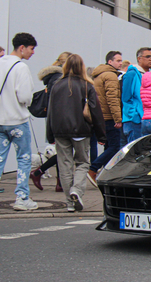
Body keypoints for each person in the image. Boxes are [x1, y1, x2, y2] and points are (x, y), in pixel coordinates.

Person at [47, 54, 107, 212]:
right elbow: (96, 111)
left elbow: (50, 111)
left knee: (64, 165)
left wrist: (49, 133)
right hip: (81, 130)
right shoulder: (87, 85)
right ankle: (77, 191)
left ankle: (69, 203)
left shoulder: (57, 85)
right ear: (82, 67)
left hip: (60, 131)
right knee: (82, 163)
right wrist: (101, 135)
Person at [0, 33, 38, 208]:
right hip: (17, 120)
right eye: (31, 49)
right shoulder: (20, 67)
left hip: (1, 120)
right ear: (22, 48)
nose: (32, 53)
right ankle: (22, 198)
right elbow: (25, 97)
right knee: (23, 159)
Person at [30, 51, 72, 193]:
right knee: (64, 152)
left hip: (56, 119)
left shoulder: (54, 78)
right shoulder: (58, 78)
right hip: (60, 119)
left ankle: (58, 182)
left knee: (63, 151)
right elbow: (57, 102)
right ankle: (39, 172)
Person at [88, 51, 123, 187]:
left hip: (100, 116)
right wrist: (118, 118)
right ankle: (93, 169)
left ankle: (104, 175)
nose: (120, 63)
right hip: (109, 117)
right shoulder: (110, 75)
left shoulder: (98, 75)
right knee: (114, 147)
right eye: (118, 60)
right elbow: (112, 99)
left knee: (108, 146)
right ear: (110, 62)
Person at [122, 47, 151, 142]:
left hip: (147, 119)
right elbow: (126, 97)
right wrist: (134, 115)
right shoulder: (132, 74)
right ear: (139, 58)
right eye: (148, 56)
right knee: (135, 152)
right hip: (135, 120)